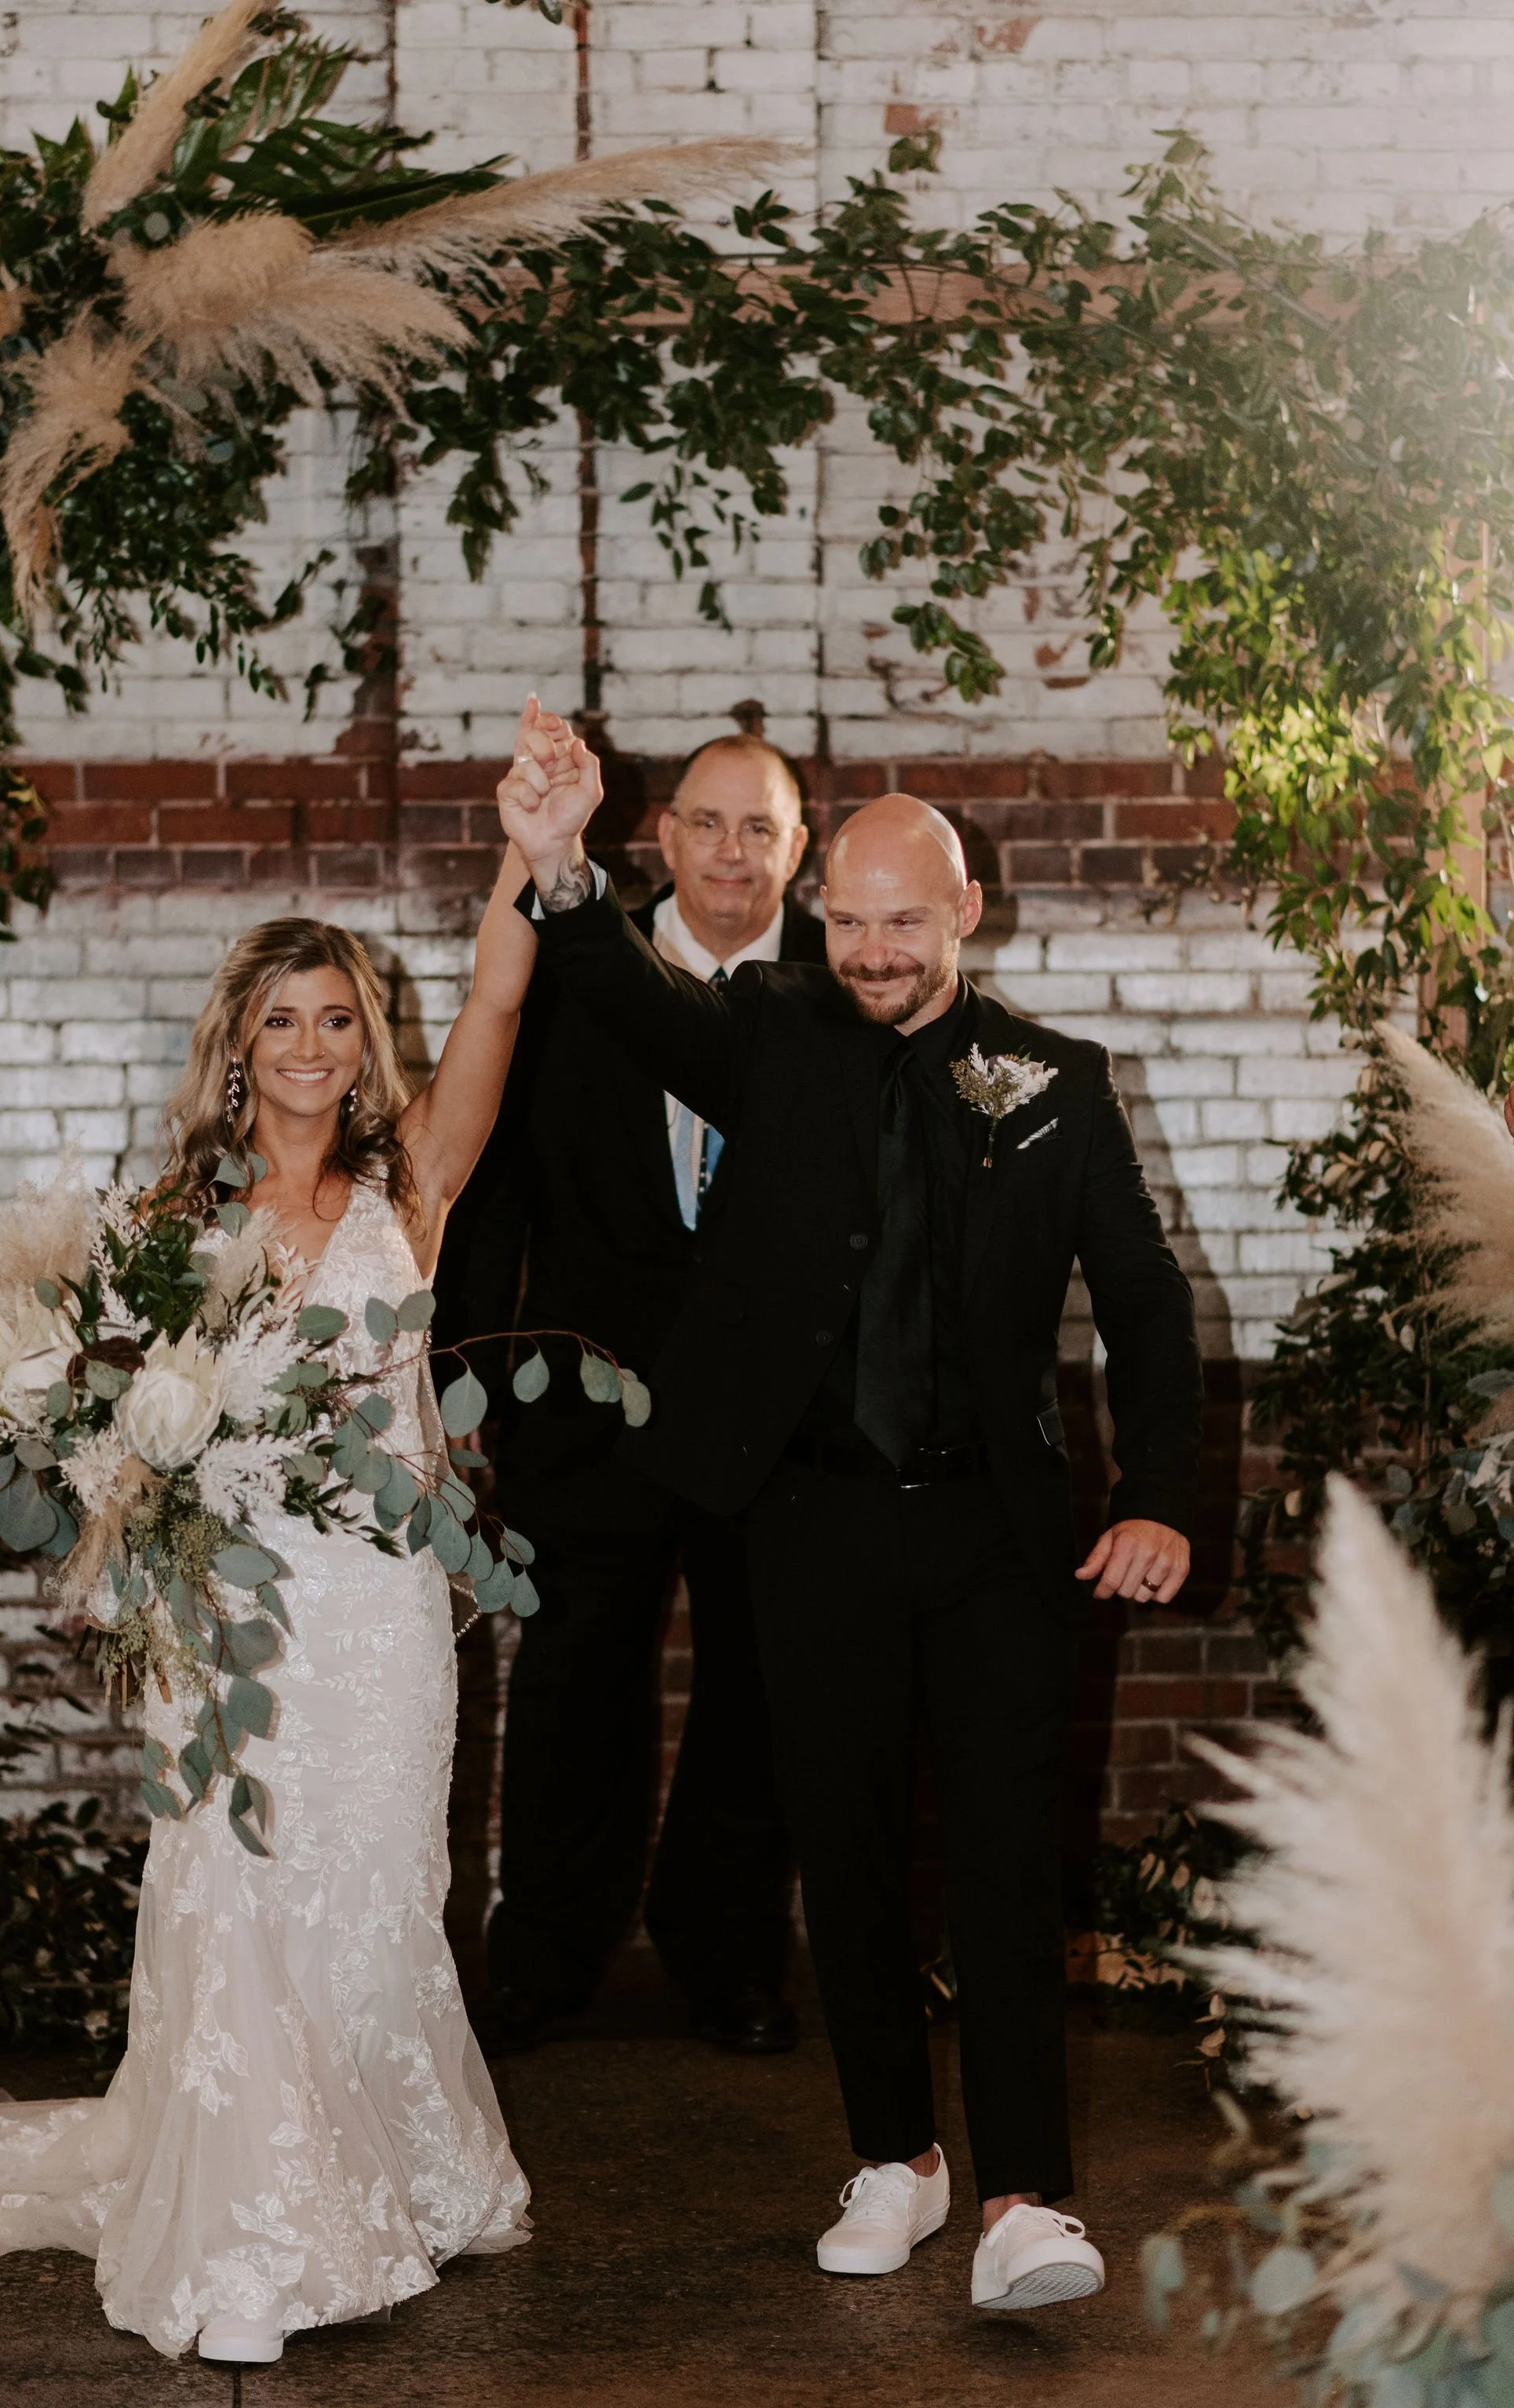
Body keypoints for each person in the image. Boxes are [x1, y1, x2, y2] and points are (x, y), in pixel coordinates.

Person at [494, 701, 1202, 2315]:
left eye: (907, 919)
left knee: (1008, 1866)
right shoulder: (772, 1039)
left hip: (997, 1540)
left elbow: (1149, 1304)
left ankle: (1026, 2195)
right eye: (853, 919)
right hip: (808, 1527)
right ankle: (896, 2155)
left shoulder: (1055, 1086)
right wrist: (553, 862)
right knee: (850, 1854)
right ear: (823, 915)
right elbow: (610, 985)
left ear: (965, 910)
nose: (877, 948)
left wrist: (1158, 1492)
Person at [0, 874, 540, 2364]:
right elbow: (125, 1435)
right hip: (232, 1618)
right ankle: (254, 2238)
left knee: (378, 1892)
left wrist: (531, 858)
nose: (315, 1047)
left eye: (338, 1019)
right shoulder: (164, 1217)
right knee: (244, 1892)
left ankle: (391, 2164)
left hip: (386, 1615)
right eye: (283, 1022)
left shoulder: (414, 1190)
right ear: (240, 1045)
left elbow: (501, 1005)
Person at [440, 724, 823, 2058]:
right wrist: (465, 1379)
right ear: (662, 839)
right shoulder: (564, 962)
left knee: (759, 1694)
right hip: (583, 1407)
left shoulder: (843, 991)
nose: (731, 853)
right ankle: (544, 1951)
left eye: (759, 829)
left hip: (779, 1425)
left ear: (799, 848)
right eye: (708, 824)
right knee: (572, 1683)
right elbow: (492, 1187)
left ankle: (727, 1961)